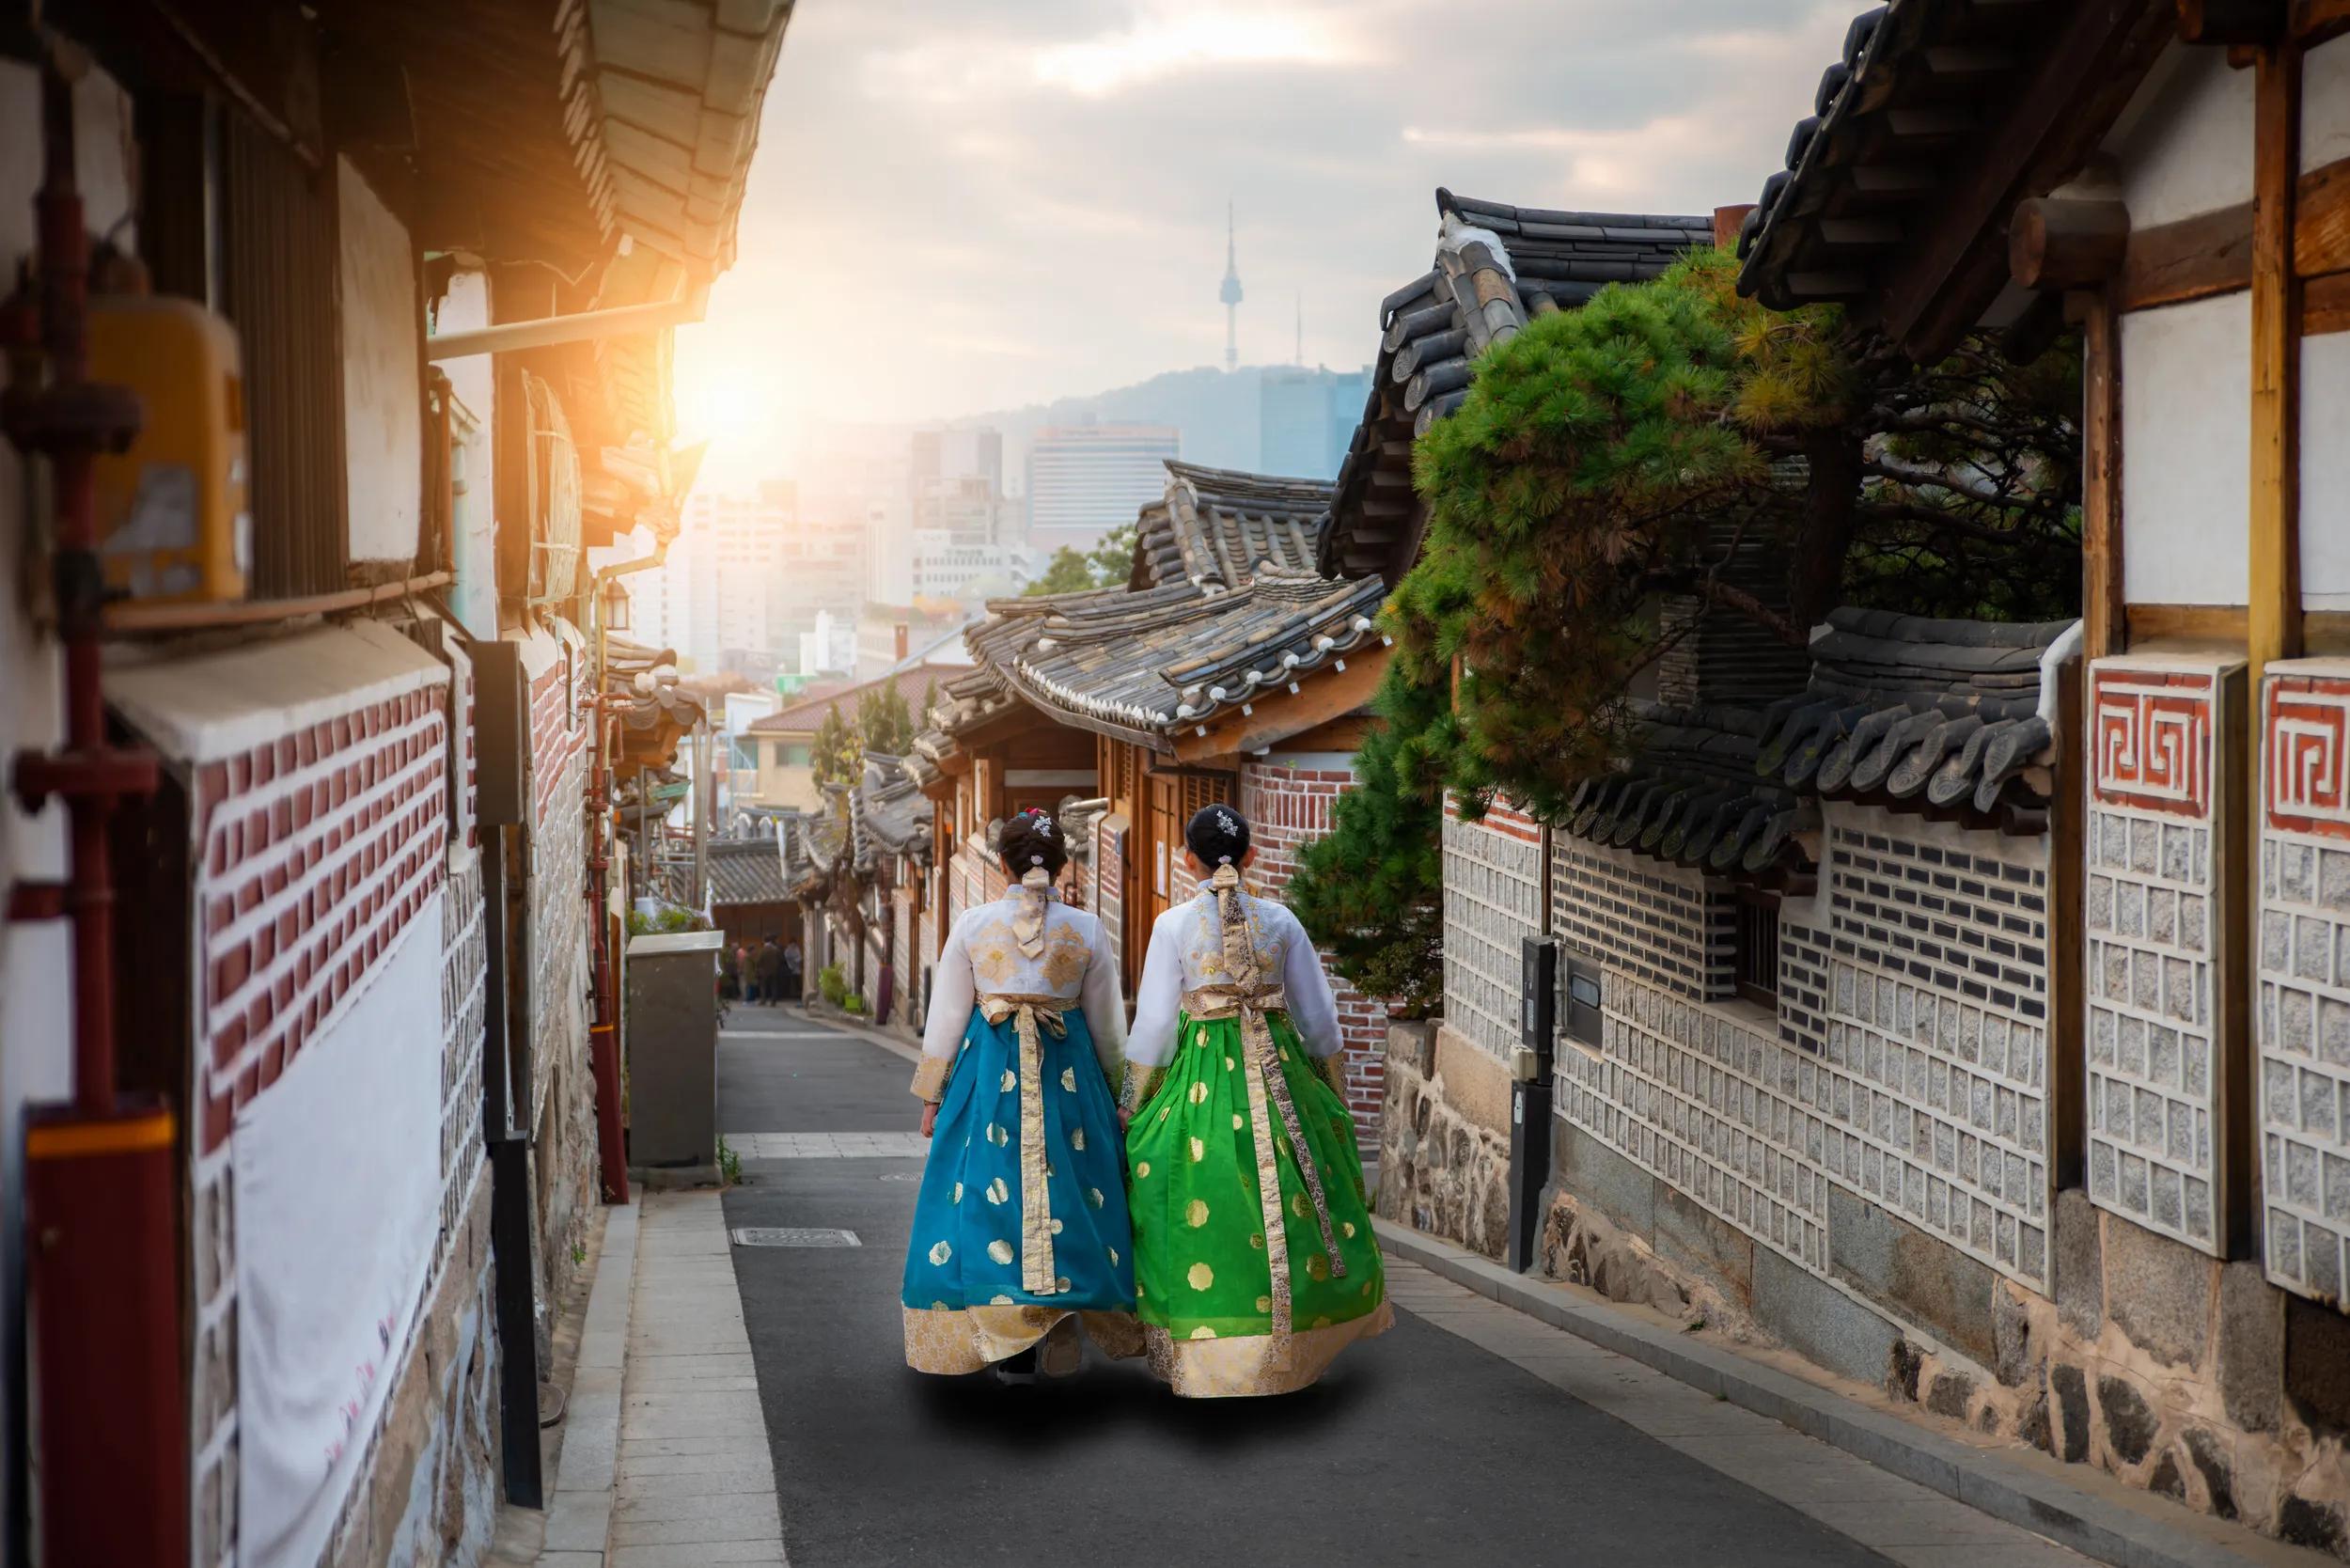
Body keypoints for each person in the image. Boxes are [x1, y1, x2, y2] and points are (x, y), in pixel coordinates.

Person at [1120, 802, 1389, 1396]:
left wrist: (1134, 1101)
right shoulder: (1282, 920)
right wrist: (1330, 1090)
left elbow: (1156, 1025)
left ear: (1186, 859)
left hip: (1201, 1080)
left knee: (1193, 1192)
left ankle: (1208, 1353)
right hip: (1279, 1071)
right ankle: (1288, 1351)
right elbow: (1319, 1017)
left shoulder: (1172, 926)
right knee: (1292, 1192)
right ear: (1252, 855)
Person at [901, 809, 1137, 1381]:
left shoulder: (974, 924)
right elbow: (1108, 1024)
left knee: (986, 1193)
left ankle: (1000, 1321)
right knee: (1072, 1193)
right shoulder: (1085, 929)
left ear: (1001, 863)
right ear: (1061, 866)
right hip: (1069, 1076)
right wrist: (1123, 1096)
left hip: (988, 1074)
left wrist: (933, 1094)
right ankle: (1055, 1317)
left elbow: (949, 1015)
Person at [756, 934, 785, 1007]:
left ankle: (763, 1000)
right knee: (774, 986)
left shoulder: (762, 950)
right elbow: (781, 959)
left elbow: (759, 961)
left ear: (764, 941)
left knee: (763, 986)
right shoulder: (776, 949)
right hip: (774, 970)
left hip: (764, 971)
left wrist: (759, 968)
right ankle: (773, 1001)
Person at [783, 939, 805, 1003]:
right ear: (790, 943)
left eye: (795, 944)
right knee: (792, 981)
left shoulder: (797, 949)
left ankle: (798, 994)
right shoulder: (788, 950)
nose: (794, 945)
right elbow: (787, 958)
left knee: (797, 981)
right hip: (790, 967)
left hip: (797, 967)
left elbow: (800, 956)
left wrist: (798, 959)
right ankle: (791, 994)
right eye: (793, 944)